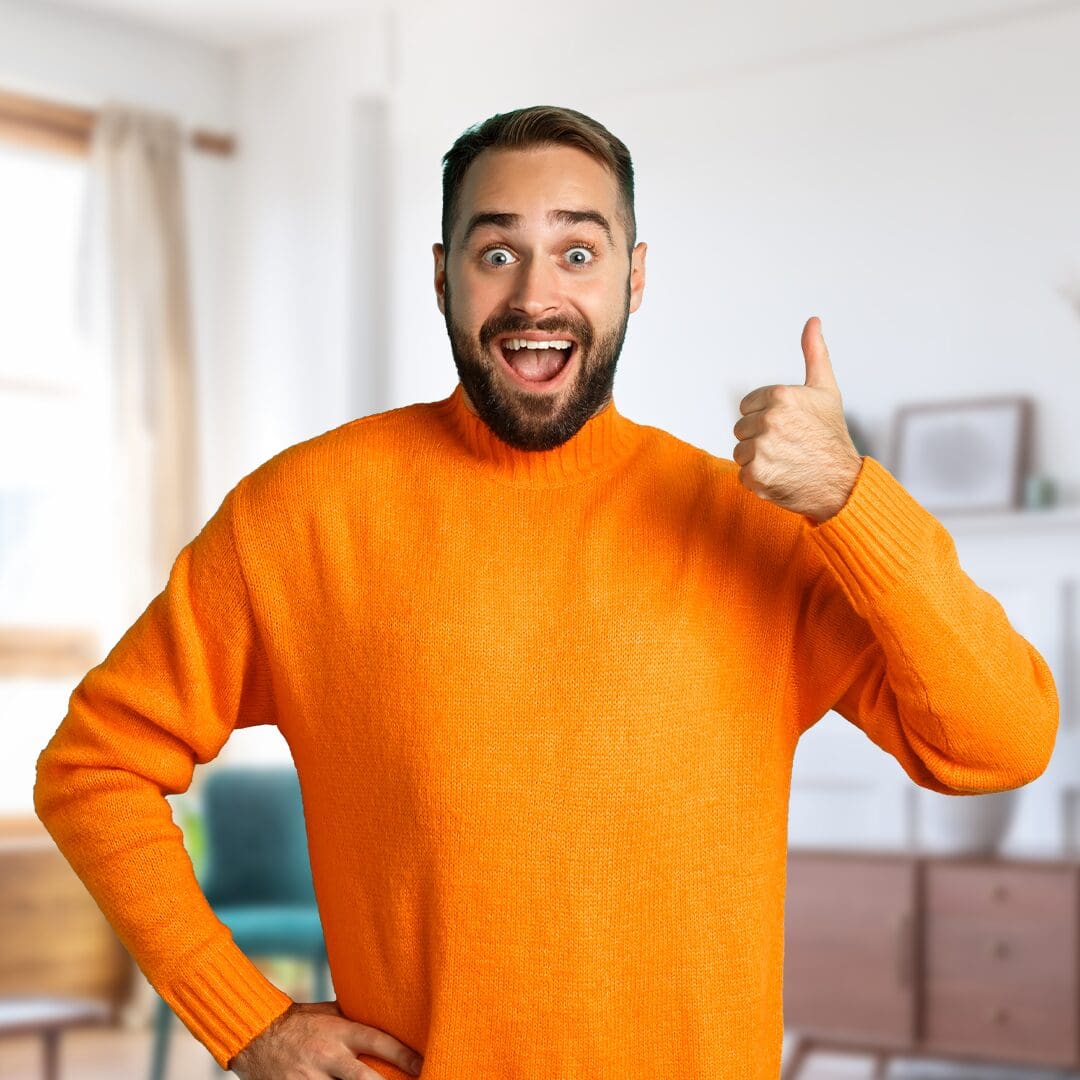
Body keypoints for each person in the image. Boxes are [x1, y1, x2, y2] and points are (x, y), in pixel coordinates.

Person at [34, 105, 1058, 1080]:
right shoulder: (305, 515)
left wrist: (850, 499)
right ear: (442, 278)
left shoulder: (748, 528)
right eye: (495, 252)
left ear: (633, 277)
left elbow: (1000, 742)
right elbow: (95, 767)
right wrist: (244, 1017)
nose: (535, 295)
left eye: (578, 251)